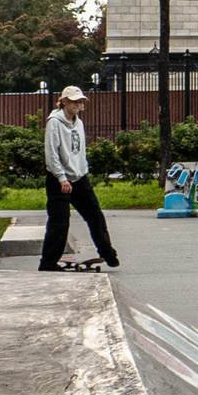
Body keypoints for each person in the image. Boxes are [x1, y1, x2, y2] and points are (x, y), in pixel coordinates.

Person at [42, 85, 122, 271]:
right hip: (59, 180)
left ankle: (108, 253)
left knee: (95, 216)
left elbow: (80, 151)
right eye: (74, 101)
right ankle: (48, 263)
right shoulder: (54, 122)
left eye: (80, 101)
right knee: (59, 222)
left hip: (79, 177)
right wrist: (62, 178)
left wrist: (83, 170)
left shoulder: (78, 122)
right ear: (64, 102)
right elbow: (51, 153)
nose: (78, 105)